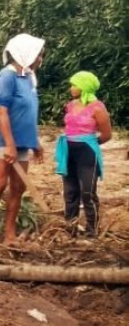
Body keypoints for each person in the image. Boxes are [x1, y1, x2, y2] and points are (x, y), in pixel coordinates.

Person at [0, 33, 45, 245]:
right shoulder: (6, 77)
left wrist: (35, 142)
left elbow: (29, 112)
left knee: (18, 188)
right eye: (39, 55)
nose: (40, 59)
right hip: (3, 141)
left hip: (23, 142)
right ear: (26, 54)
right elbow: (2, 112)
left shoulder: (28, 78)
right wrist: (9, 144)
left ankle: (10, 234)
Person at [55, 71, 112, 238]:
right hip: (68, 150)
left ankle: (91, 229)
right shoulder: (71, 105)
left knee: (87, 192)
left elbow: (107, 134)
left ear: (84, 87)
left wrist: (90, 143)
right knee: (70, 191)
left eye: (75, 85)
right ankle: (70, 226)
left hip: (86, 153)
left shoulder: (98, 107)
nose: (71, 88)